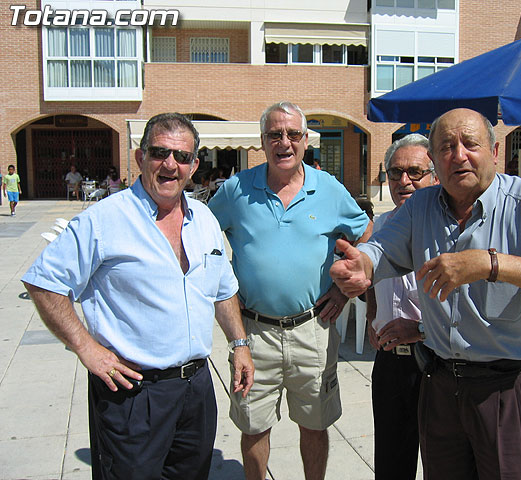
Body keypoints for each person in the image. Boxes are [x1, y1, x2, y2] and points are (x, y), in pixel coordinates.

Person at [330, 108, 521, 480]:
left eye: (470, 144)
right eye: (446, 147)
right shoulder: (421, 205)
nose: (459, 155)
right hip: (441, 385)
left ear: (495, 150)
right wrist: (364, 265)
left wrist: (490, 264)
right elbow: (384, 249)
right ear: (435, 160)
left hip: (511, 387)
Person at [21, 112, 254, 480]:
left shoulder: (205, 220)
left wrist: (239, 343)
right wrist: (86, 347)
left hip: (196, 390)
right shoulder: (104, 219)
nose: (169, 165)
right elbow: (43, 282)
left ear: (194, 166)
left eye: (181, 157)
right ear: (140, 157)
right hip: (133, 395)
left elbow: (223, 289)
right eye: (160, 152)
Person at [208, 101, 372, 480]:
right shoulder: (236, 190)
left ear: (305, 140)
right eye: (275, 134)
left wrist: (343, 290)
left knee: (315, 424)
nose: (285, 142)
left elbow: (366, 236)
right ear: (262, 142)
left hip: (312, 330)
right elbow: (200, 233)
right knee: (253, 426)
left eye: (293, 134)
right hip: (253, 334)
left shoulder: (328, 188)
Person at [367, 134, 438, 480]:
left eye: (415, 171)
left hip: (435, 362)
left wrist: (421, 329)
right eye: (394, 173)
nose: (403, 181)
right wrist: (370, 315)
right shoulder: (380, 227)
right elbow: (370, 278)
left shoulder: (449, 233)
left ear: (435, 176)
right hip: (389, 365)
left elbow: (469, 310)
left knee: (442, 462)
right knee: (392, 464)